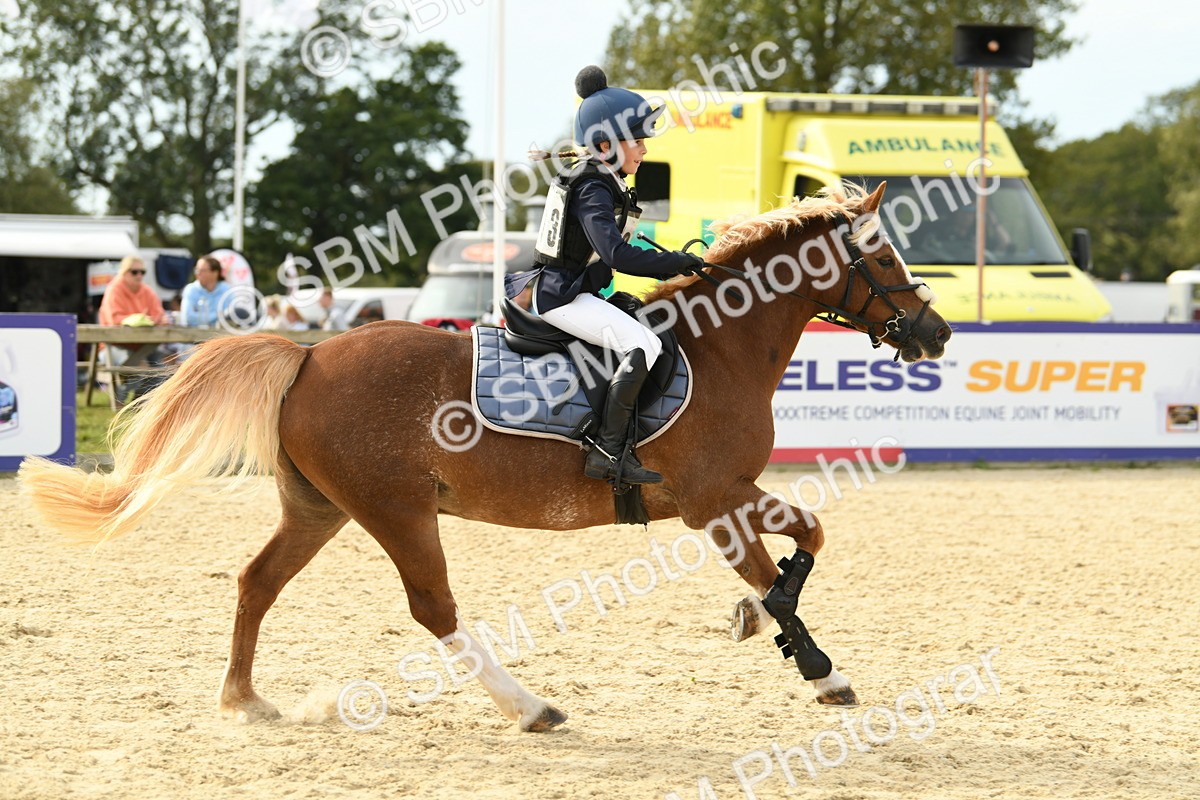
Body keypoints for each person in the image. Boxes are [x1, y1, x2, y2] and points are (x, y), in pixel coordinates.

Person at [523, 66, 703, 486]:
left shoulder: (605, 179)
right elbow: (615, 255)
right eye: (636, 140)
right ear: (605, 144)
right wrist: (675, 263)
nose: (643, 149)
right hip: (559, 297)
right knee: (642, 343)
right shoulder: (593, 186)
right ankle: (607, 451)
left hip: (575, 291)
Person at [97, 255, 168, 400]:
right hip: (112, 347)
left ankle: (139, 402)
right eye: (134, 272)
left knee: (164, 366)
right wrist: (142, 320)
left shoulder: (148, 291)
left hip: (143, 346)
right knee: (140, 366)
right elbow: (115, 320)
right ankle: (120, 399)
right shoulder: (114, 290)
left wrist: (147, 320)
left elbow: (160, 316)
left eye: (143, 272)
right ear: (123, 272)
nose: (139, 275)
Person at [178, 255, 232, 327]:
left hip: (221, 336)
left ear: (215, 273)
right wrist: (218, 316)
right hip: (193, 336)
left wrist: (201, 318)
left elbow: (230, 316)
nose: (198, 273)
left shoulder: (226, 290)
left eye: (202, 270)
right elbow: (188, 318)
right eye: (197, 270)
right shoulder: (190, 289)